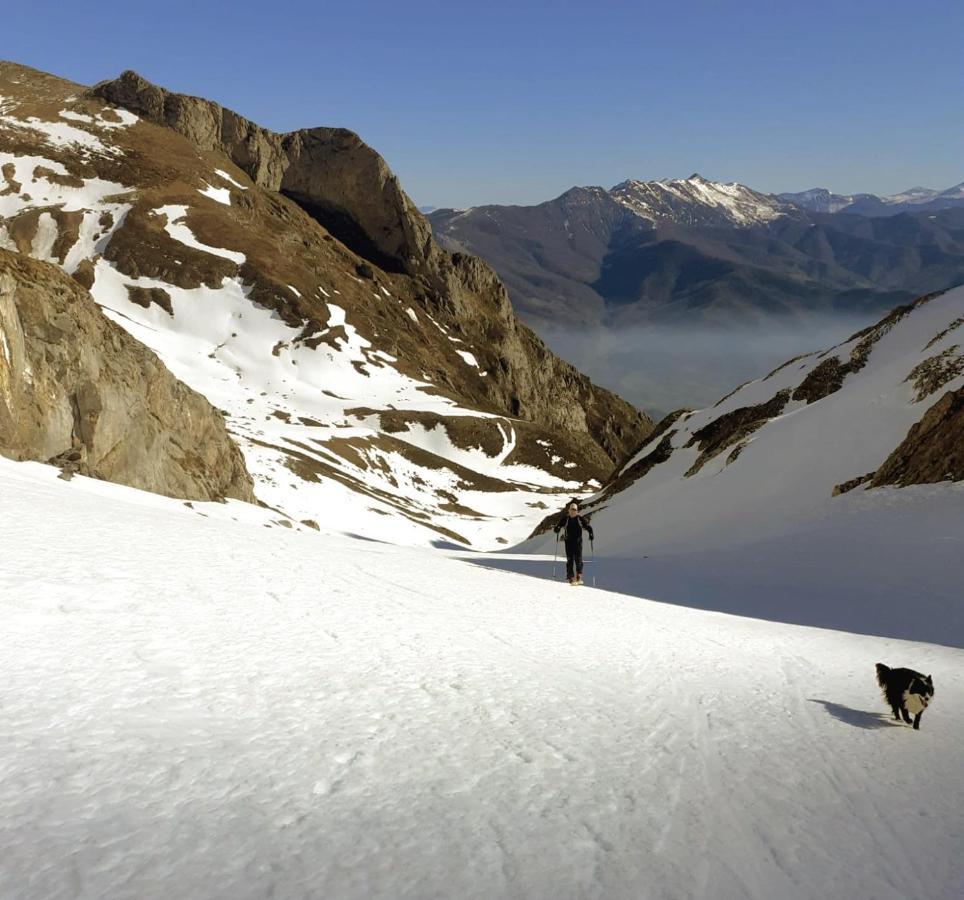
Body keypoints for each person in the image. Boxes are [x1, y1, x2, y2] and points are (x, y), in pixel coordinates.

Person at [553, 500, 594, 584]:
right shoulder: (566, 519)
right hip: (568, 542)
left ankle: (579, 576)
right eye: (571, 510)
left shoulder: (580, 518)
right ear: (569, 510)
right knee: (570, 560)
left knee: (578, 559)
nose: (573, 512)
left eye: (574, 510)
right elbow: (558, 526)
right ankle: (570, 577)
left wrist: (591, 533)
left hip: (578, 542)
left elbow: (587, 526)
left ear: (577, 511)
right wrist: (556, 529)